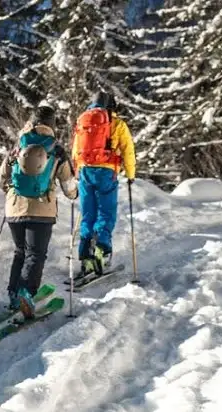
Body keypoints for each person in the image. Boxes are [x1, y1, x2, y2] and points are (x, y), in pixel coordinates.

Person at [0, 105, 78, 317]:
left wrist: (14, 194)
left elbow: (1, 180)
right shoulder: (56, 150)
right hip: (42, 211)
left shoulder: (18, 146)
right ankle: (26, 292)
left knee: (20, 252)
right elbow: (69, 188)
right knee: (35, 254)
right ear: (52, 126)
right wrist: (74, 193)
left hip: (14, 209)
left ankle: (14, 295)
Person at [72, 91, 136, 276]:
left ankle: (85, 255)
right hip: (106, 171)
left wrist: (78, 171)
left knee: (88, 212)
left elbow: (76, 148)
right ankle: (101, 251)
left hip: (85, 170)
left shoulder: (83, 121)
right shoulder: (117, 124)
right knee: (106, 212)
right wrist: (131, 174)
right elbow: (128, 150)